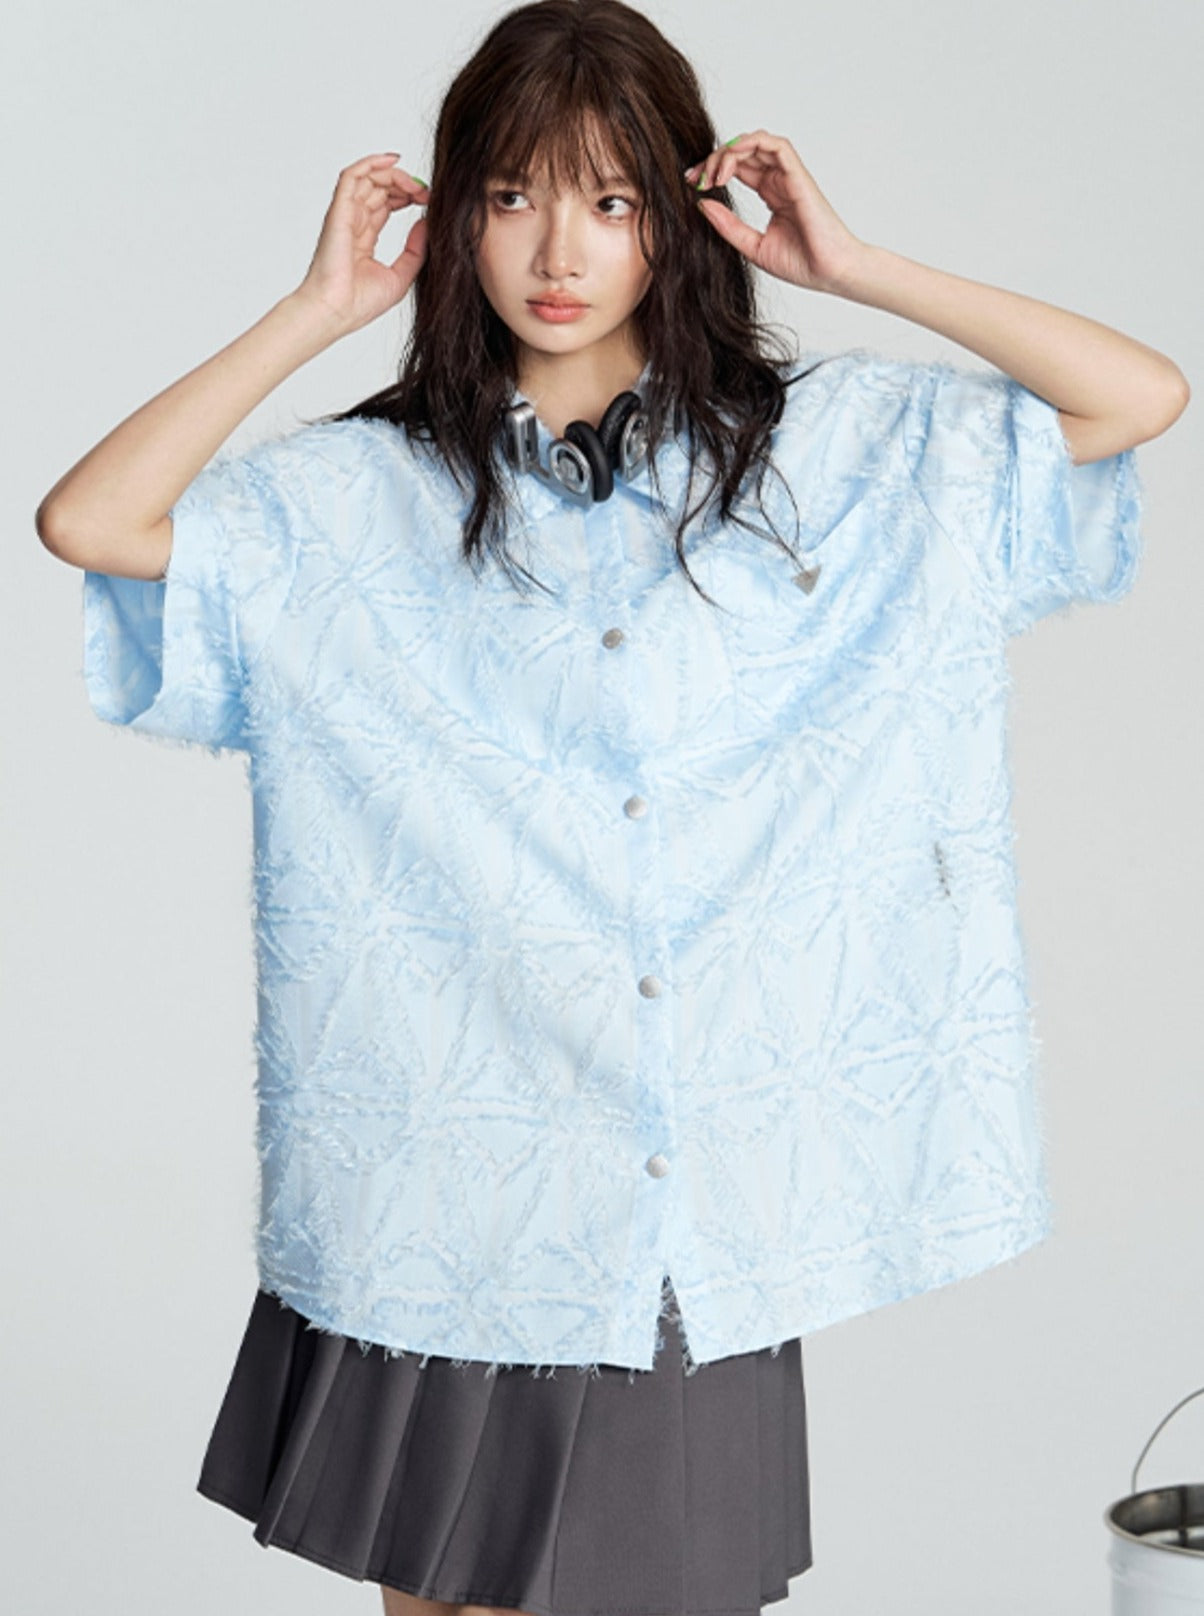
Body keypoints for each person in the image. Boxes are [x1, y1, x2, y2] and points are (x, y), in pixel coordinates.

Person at [35, 1, 1188, 1614]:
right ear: (455, 217)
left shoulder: (827, 455)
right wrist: (315, 312)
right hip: (443, 1189)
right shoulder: (355, 498)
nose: (556, 250)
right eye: (510, 196)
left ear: (676, 216)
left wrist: (854, 268)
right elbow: (91, 521)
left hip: (679, 1201)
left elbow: (1136, 396)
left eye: (609, 199)